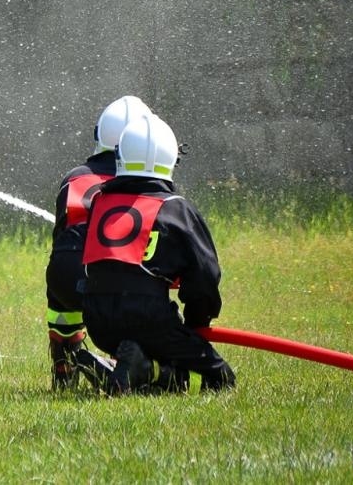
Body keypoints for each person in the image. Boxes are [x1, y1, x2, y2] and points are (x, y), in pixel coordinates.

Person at [81, 112, 236, 394]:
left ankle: (139, 366)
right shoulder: (175, 208)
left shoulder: (99, 202)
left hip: (97, 322)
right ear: (170, 160)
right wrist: (195, 326)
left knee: (174, 376)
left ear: (120, 156)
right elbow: (205, 275)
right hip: (149, 320)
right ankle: (143, 365)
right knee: (221, 376)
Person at [44, 95, 150, 391]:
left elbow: (60, 243)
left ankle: (64, 357)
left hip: (65, 283)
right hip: (112, 288)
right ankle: (124, 367)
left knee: (63, 269)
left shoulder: (74, 178)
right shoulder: (143, 182)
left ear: (98, 135)